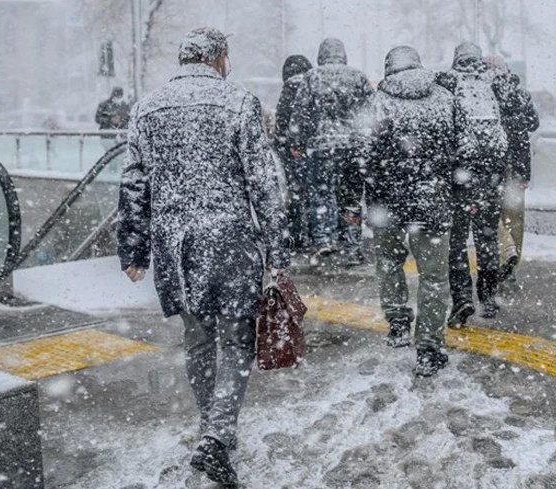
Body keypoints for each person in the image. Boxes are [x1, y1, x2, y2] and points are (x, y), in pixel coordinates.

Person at [116, 27, 290, 487]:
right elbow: (264, 183)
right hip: (230, 238)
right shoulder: (239, 103)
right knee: (236, 340)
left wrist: (133, 249)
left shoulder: (146, 108)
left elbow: (134, 183)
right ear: (218, 58)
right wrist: (276, 249)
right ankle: (217, 435)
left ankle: (210, 427)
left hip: (177, 244)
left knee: (197, 337)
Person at [359, 46, 457, 377]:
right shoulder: (445, 99)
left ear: (389, 69)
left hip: (387, 204)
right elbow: (466, 149)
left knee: (389, 263)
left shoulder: (378, 101)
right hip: (432, 201)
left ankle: (399, 324)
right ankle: (429, 347)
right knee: (433, 276)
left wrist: (362, 196)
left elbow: (362, 155)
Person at [437, 42, 509, 326]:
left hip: (460, 175)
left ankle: (462, 298)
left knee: (456, 243)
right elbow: (521, 119)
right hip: (491, 175)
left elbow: (443, 130)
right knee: (487, 239)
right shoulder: (492, 85)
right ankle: (488, 297)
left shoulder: (448, 85)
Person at [289, 38, 371, 265]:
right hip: (353, 147)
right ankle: (352, 245)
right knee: (351, 197)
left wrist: (297, 141)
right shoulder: (358, 77)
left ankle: (324, 239)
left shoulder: (312, 77)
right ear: (343, 55)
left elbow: (301, 112)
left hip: (321, 147)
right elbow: (370, 113)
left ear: (320, 55)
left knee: (321, 194)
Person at [484, 56, 539, 289]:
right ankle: (512, 265)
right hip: (517, 168)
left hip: (491, 167)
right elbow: (533, 123)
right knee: (514, 219)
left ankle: (502, 256)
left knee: (490, 216)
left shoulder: (484, 95)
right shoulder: (520, 93)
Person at [275, 54, 314, 252]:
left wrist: (284, 144)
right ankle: (317, 236)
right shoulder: (312, 85)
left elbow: (282, 121)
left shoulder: (289, 87)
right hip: (313, 148)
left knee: (294, 193)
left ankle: (296, 235)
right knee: (315, 192)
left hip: (291, 150)